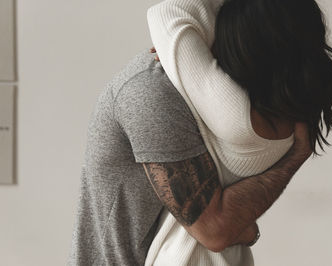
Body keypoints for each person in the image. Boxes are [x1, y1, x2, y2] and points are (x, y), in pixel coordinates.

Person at [67, 49, 313, 266]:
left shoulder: (204, 94)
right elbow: (215, 230)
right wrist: (295, 157)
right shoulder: (153, 91)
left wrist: (244, 231)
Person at [145, 0, 332, 264]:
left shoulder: (236, 116)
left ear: (247, 45)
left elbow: (166, 13)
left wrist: (181, 53)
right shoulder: (290, 116)